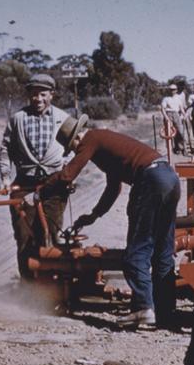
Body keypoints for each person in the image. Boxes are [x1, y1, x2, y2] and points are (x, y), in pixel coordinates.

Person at [42, 115, 181, 326]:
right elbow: (113, 187)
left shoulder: (91, 138)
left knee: (137, 252)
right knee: (162, 250)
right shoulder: (106, 145)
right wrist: (94, 215)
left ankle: (144, 308)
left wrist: (40, 191)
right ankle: (166, 311)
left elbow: (68, 175)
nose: (78, 151)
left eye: (74, 147)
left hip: (150, 180)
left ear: (78, 137)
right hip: (169, 177)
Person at [0, 74, 70, 279]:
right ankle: (29, 284)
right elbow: (5, 149)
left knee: (51, 233)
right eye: (34, 94)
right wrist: (5, 177)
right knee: (24, 235)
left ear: (52, 95)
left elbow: (75, 147)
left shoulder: (63, 118)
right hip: (24, 184)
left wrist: (67, 168)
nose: (38, 99)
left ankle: (54, 281)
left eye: (43, 94)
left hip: (53, 184)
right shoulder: (18, 119)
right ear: (28, 95)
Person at [160, 84, 188, 154]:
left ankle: (184, 148)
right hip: (168, 114)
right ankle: (172, 149)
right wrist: (166, 117)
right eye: (171, 90)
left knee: (181, 132)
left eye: (174, 89)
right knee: (170, 133)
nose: (172, 91)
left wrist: (184, 115)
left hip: (176, 114)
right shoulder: (166, 98)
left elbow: (181, 108)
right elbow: (163, 109)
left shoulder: (178, 98)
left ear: (176, 90)